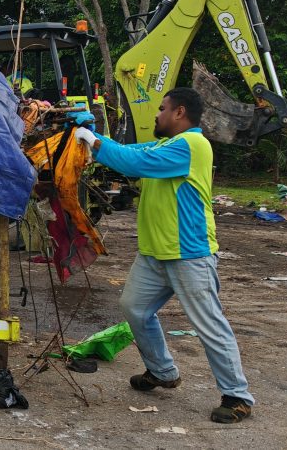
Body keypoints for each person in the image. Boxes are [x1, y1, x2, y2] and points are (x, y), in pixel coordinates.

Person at [73, 87, 253, 423]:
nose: (156, 114)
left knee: (209, 325)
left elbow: (134, 161)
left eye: (161, 108)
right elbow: (128, 152)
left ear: (179, 112)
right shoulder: (165, 145)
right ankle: (162, 372)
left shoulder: (192, 145)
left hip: (188, 254)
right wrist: (91, 137)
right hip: (155, 253)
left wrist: (93, 140)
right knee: (135, 308)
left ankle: (237, 396)